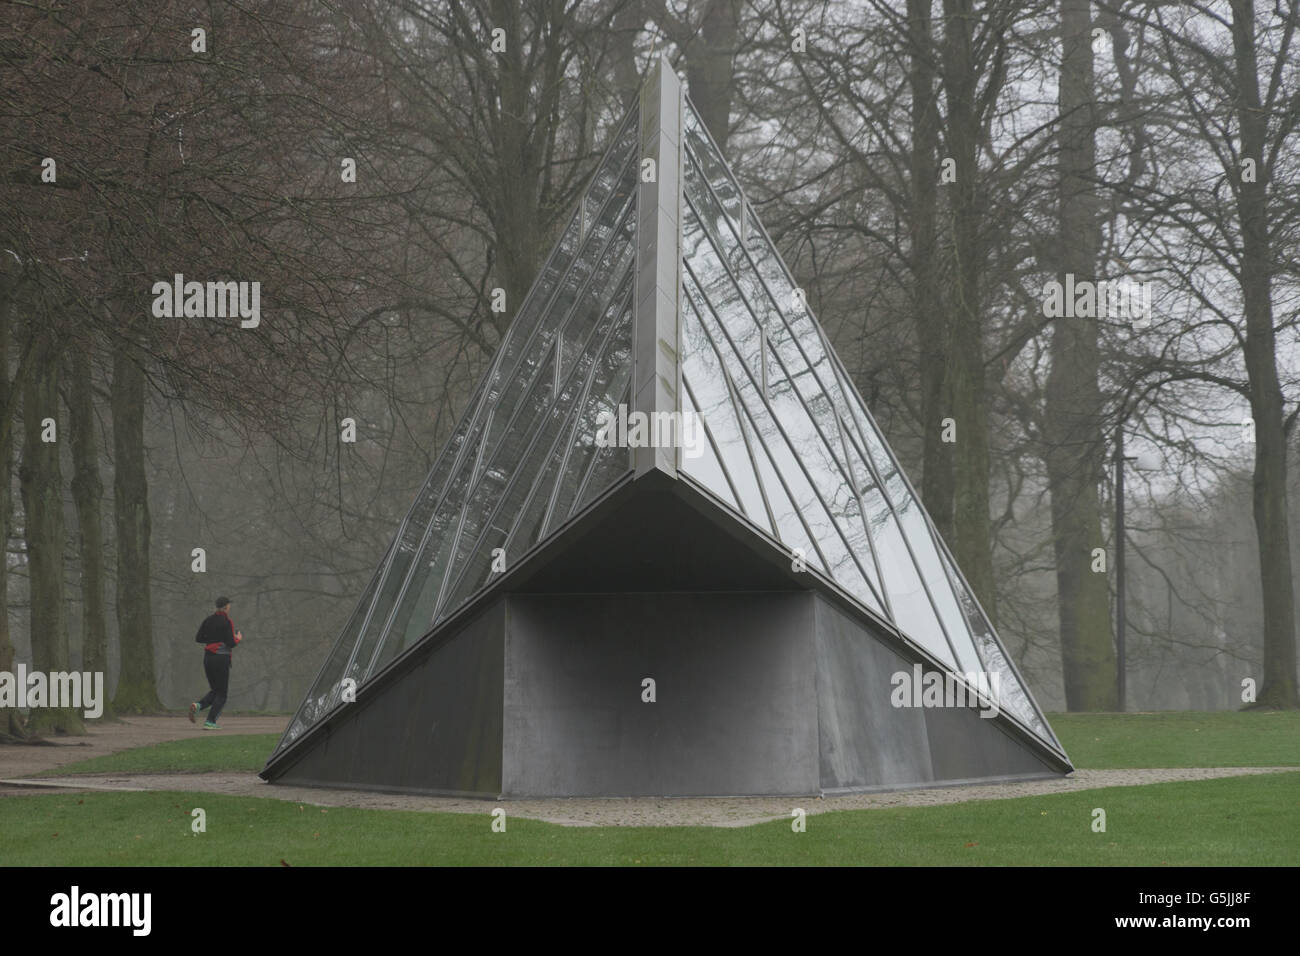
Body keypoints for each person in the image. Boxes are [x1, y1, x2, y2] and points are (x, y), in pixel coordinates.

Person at [189, 596, 242, 730]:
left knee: (215, 690)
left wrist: (212, 639)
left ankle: (198, 706)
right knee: (222, 694)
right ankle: (210, 722)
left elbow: (199, 638)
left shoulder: (208, 620)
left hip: (208, 658)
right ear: (226, 607)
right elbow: (231, 643)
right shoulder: (226, 621)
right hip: (221, 658)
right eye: (229, 605)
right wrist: (238, 638)